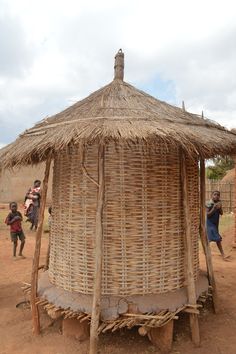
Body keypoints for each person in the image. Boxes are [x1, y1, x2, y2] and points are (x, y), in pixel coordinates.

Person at [206, 190, 229, 260]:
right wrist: (214, 208)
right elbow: (207, 215)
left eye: (218, 195)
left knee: (209, 239)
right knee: (217, 239)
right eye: (215, 194)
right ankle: (223, 254)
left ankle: (207, 252)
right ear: (211, 195)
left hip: (215, 224)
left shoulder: (218, 203)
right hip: (209, 224)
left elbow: (221, 213)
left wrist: (220, 207)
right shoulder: (208, 203)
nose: (216, 196)